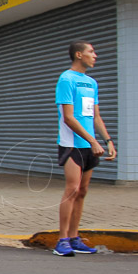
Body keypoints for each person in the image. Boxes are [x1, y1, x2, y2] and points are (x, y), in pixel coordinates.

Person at [55, 41, 115, 255]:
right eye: (91, 52)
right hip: (72, 144)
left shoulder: (91, 83)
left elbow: (95, 116)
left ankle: (74, 237)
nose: (95, 55)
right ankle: (61, 240)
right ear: (79, 55)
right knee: (71, 190)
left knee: (82, 191)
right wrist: (92, 141)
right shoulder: (66, 79)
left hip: (91, 144)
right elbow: (69, 118)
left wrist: (107, 140)